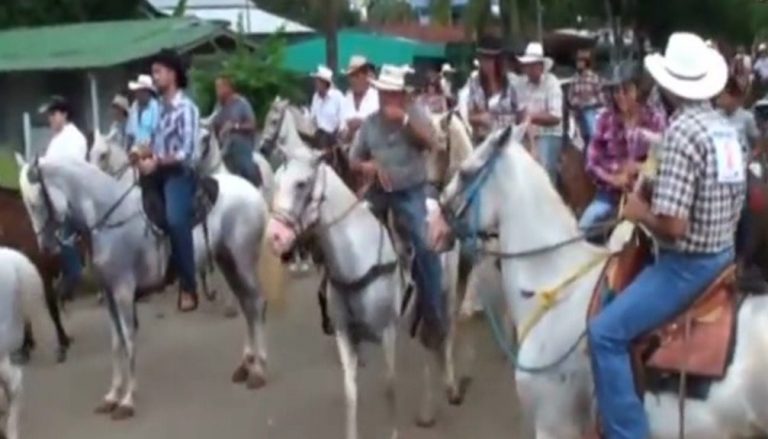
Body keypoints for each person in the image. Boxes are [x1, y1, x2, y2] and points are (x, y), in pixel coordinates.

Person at [588, 32, 744, 437]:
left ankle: (628, 432)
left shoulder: (680, 133)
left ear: (671, 84)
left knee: (603, 333)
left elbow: (674, 227)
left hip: (687, 266)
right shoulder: (726, 129)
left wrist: (641, 210)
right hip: (725, 253)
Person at [349, 65, 446, 347]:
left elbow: (432, 143)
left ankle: (433, 316)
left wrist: (404, 121)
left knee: (425, 244)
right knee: (349, 231)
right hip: (379, 191)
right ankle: (353, 308)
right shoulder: (369, 123)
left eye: (391, 94)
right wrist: (368, 165)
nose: (385, 100)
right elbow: (354, 159)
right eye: (383, 94)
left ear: (401, 96)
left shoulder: (414, 114)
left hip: (411, 190)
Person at [134, 49, 201, 313]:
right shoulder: (156, 109)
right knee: (132, 211)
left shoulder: (187, 109)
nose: (154, 78)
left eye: (157, 72)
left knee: (175, 219)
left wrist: (157, 161)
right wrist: (139, 154)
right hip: (156, 171)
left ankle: (189, 286)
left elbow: (189, 153)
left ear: (172, 74)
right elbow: (148, 141)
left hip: (179, 174)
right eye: (153, 73)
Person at [579, 63, 666, 238]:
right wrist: (614, 178)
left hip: (646, 198)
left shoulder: (656, 119)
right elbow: (592, 162)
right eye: (616, 91)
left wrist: (640, 168)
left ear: (638, 91)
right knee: (584, 227)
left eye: (626, 90)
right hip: (609, 194)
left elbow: (666, 160)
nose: (620, 96)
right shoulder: (605, 118)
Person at [716, 76, 764, 289]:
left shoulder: (745, 119)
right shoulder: (715, 118)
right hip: (723, 170)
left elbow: (756, 144)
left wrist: (750, 158)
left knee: (752, 200)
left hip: (742, 169)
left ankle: (744, 260)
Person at [41, 96, 87, 299]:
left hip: (72, 196)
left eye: (53, 114)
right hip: (55, 194)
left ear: (64, 114)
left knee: (64, 229)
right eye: (49, 115)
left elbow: (72, 169)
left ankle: (74, 273)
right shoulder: (57, 140)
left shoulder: (75, 138)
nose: (50, 119)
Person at [516, 41, 563, 184]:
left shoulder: (552, 83)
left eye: (532, 65)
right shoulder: (521, 84)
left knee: (543, 167)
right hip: (527, 133)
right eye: (527, 65)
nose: (529, 69)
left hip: (549, 133)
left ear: (541, 66)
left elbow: (556, 117)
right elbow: (521, 113)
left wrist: (533, 117)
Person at [210, 74, 261, 188]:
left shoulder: (242, 104)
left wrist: (234, 126)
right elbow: (213, 123)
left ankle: (256, 187)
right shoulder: (218, 106)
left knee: (245, 166)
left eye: (220, 87)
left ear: (229, 88)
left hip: (241, 145)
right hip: (222, 147)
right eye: (216, 87)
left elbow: (252, 125)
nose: (217, 91)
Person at [468, 35, 520, 142]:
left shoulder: (512, 83)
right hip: (483, 140)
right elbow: (470, 116)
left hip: (509, 139)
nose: (486, 64)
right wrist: (480, 118)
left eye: (490, 60)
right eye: (483, 59)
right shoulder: (474, 83)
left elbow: (522, 113)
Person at [568, 48, 604, 144]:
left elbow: (601, 97)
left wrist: (590, 100)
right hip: (579, 111)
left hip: (591, 110)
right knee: (584, 137)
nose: (578, 63)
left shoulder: (593, 77)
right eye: (577, 61)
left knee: (593, 135)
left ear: (585, 62)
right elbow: (570, 97)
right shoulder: (575, 79)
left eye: (580, 61)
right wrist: (578, 101)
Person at [340, 55, 379, 144]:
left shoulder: (376, 98)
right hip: (349, 151)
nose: (353, 80)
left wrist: (363, 124)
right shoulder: (347, 98)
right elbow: (342, 133)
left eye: (357, 76)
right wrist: (350, 131)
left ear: (366, 76)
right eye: (351, 76)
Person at [309, 65, 344, 150]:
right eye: (316, 81)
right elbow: (312, 118)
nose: (316, 83)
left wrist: (339, 134)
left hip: (333, 138)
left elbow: (343, 119)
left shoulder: (337, 96)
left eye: (318, 81)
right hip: (318, 137)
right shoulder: (315, 97)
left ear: (325, 83)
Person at [126, 74, 160, 149]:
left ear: (147, 93)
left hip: (151, 150)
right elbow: (130, 133)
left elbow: (156, 133)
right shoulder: (134, 106)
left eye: (140, 91)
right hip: (135, 149)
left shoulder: (155, 107)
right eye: (137, 91)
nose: (137, 94)